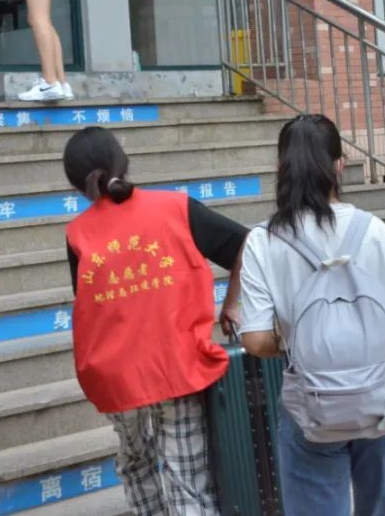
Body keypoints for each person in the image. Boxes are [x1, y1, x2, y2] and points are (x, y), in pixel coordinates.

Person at [239, 114, 385, 516]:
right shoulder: (375, 230)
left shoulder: (263, 241)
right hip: (383, 401)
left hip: (312, 404)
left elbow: (254, 340)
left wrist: (292, 343)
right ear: (339, 165)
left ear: (280, 167)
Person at [62, 126, 246, 516]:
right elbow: (248, 244)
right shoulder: (176, 208)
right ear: (122, 161)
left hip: (115, 372)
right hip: (174, 364)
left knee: (134, 461)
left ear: (76, 184)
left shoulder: (77, 233)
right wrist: (232, 305)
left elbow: (89, 303)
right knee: (186, 474)